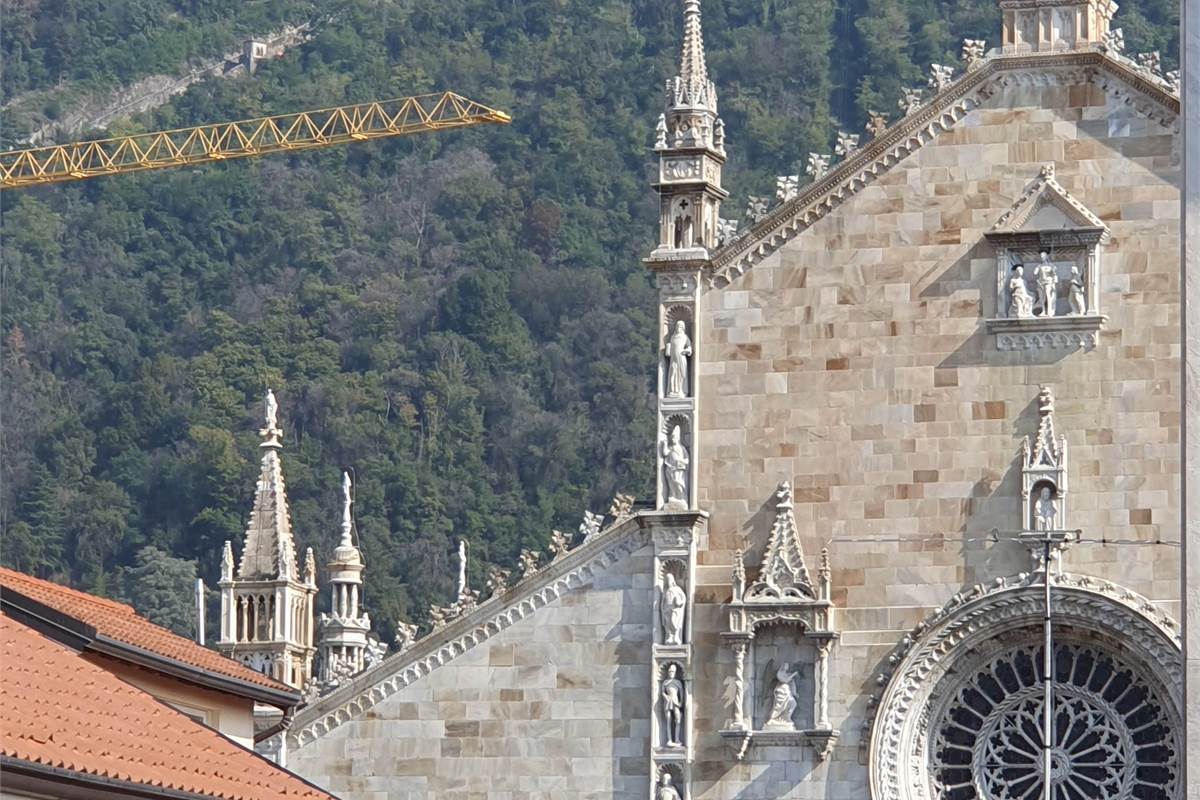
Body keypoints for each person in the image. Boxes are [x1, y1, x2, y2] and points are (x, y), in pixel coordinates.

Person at [665, 320, 692, 398]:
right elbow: (669, 349)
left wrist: (686, 351)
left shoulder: (685, 337)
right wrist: (668, 348)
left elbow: (689, 347)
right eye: (677, 326)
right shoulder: (672, 337)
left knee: (681, 374)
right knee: (673, 373)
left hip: (681, 357)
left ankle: (681, 390)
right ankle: (672, 391)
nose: (678, 328)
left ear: (683, 328)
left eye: (680, 326)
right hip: (673, 359)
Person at [660, 664, 684, 747]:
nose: (671, 673)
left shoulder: (678, 682)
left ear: (675, 673)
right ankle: (669, 739)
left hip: (676, 702)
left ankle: (677, 739)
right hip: (668, 702)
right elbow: (662, 692)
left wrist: (681, 702)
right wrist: (665, 696)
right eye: (669, 671)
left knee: (678, 720)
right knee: (668, 721)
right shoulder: (665, 682)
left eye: (672, 671)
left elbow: (681, 692)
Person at [661, 573, 686, 644]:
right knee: (668, 624)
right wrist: (663, 608)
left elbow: (683, 598)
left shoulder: (677, 589)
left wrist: (679, 602)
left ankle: (676, 637)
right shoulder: (666, 591)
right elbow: (663, 601)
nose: (667, 582)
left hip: (675, 610)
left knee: (674, 622)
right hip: (667, 610)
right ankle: (670, 637)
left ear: (672, 581)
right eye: (666, 580)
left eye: (669, 580)